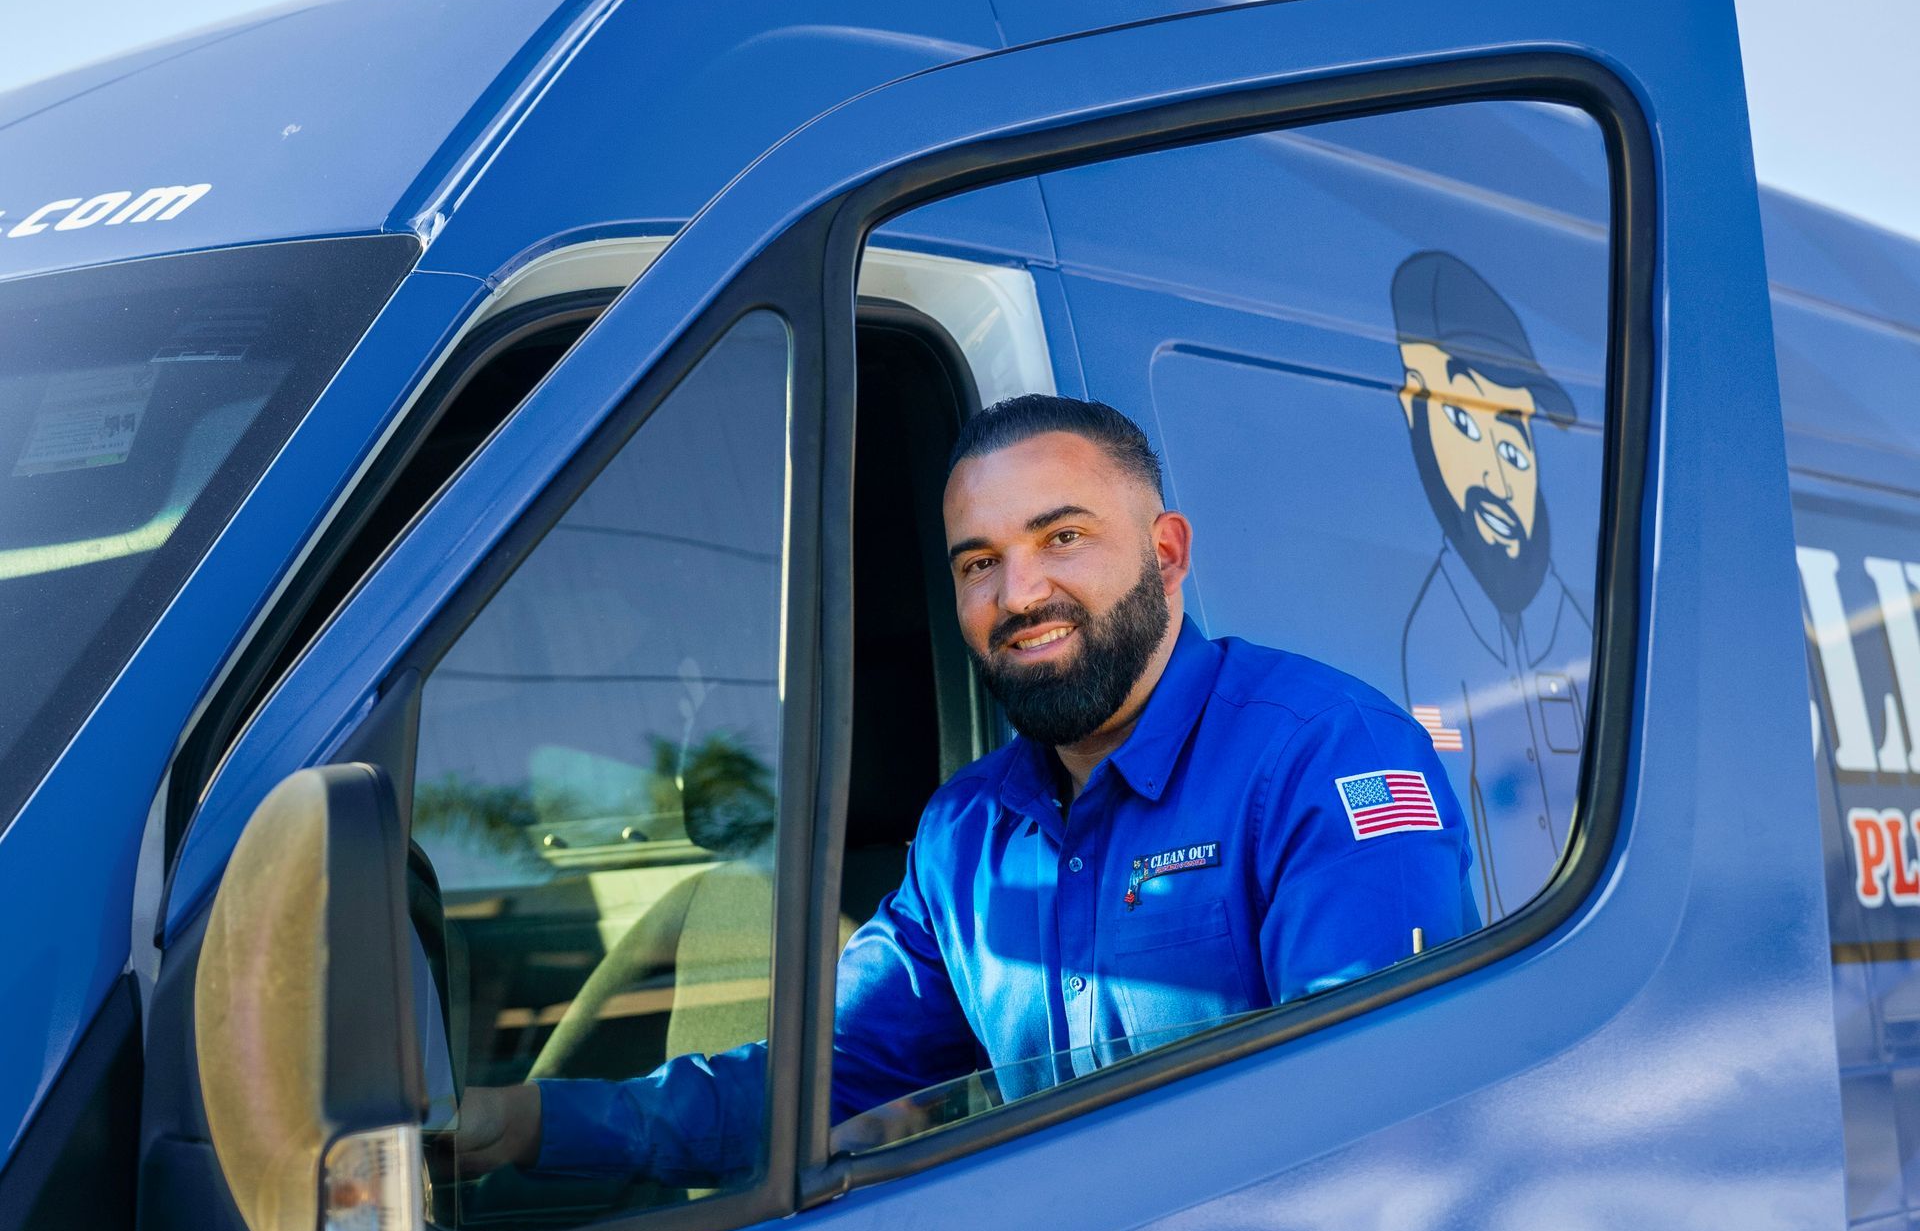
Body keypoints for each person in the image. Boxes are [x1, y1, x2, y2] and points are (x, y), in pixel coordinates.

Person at [452, 394, 1476, 1182]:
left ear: (1167, 555)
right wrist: (534, 1126)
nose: (1018, 594)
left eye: (1061, 537)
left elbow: (1375, 1118)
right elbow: (816, 1082)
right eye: (979, 561)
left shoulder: (1323, 758)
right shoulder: (966, 836)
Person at [1393, 250, 1593, 923]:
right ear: (1413, 409)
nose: (1502, 481)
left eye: (1514, 448)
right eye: (1464, 424)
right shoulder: (1430, 639)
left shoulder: (1581, 633)